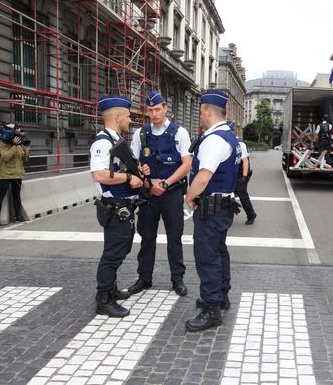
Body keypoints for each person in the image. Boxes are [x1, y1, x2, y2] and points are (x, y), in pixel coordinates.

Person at [185, 89, 241, 332]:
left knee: (207, 257)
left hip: (211, 208)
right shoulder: (230, 137)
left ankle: (211, 308)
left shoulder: (215, 139)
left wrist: (189, 196)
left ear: (207, 111)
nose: (201, 114)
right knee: (219, 253)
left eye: (201, 111)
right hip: (222, 206)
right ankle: (220, 295)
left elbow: (203, 177)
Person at [127, 90, 191, 297]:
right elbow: (133, 163)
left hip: (171, 193)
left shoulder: (179, 132)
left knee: (174, 238)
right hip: (147, 194)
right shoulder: (140, 134)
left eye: (157, 109)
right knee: (147, 238)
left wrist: (164, 184)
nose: (154, 114)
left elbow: (187, 165)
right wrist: (144, 178)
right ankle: (144, 278)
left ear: (165, 108)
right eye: (150, 110)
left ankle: (177, 279)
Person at [89, 94, 144, 318]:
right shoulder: (103, 142)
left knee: (121, 249)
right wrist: (128, 179)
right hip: (114, 205)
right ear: (118, 116)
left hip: (124, 206)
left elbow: (119, 168)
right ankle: (103, 298)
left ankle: (110, 288)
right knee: (112, 254)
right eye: (128, 116)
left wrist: (138, 172)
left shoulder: (116, 141)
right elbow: (99, 174)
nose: (130, 121)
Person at [0, 124, 30, 226]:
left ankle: (18, 216)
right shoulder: (2, 144)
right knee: (0, 196)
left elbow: (25, 159)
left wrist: (26, 149)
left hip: (17, 174)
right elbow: (5, 157)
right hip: (6, 174)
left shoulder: (18, 145)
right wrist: (14, 146)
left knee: (17, 196)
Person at [229, 122, 256, 225]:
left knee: (242, 194)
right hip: (234, 173)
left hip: (241, 173)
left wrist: (244, 176)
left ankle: (251, 214)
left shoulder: (239, 143)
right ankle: (228, 214)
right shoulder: (230, 141)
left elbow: (245, 161)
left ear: (233, 132)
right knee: (229, 193)